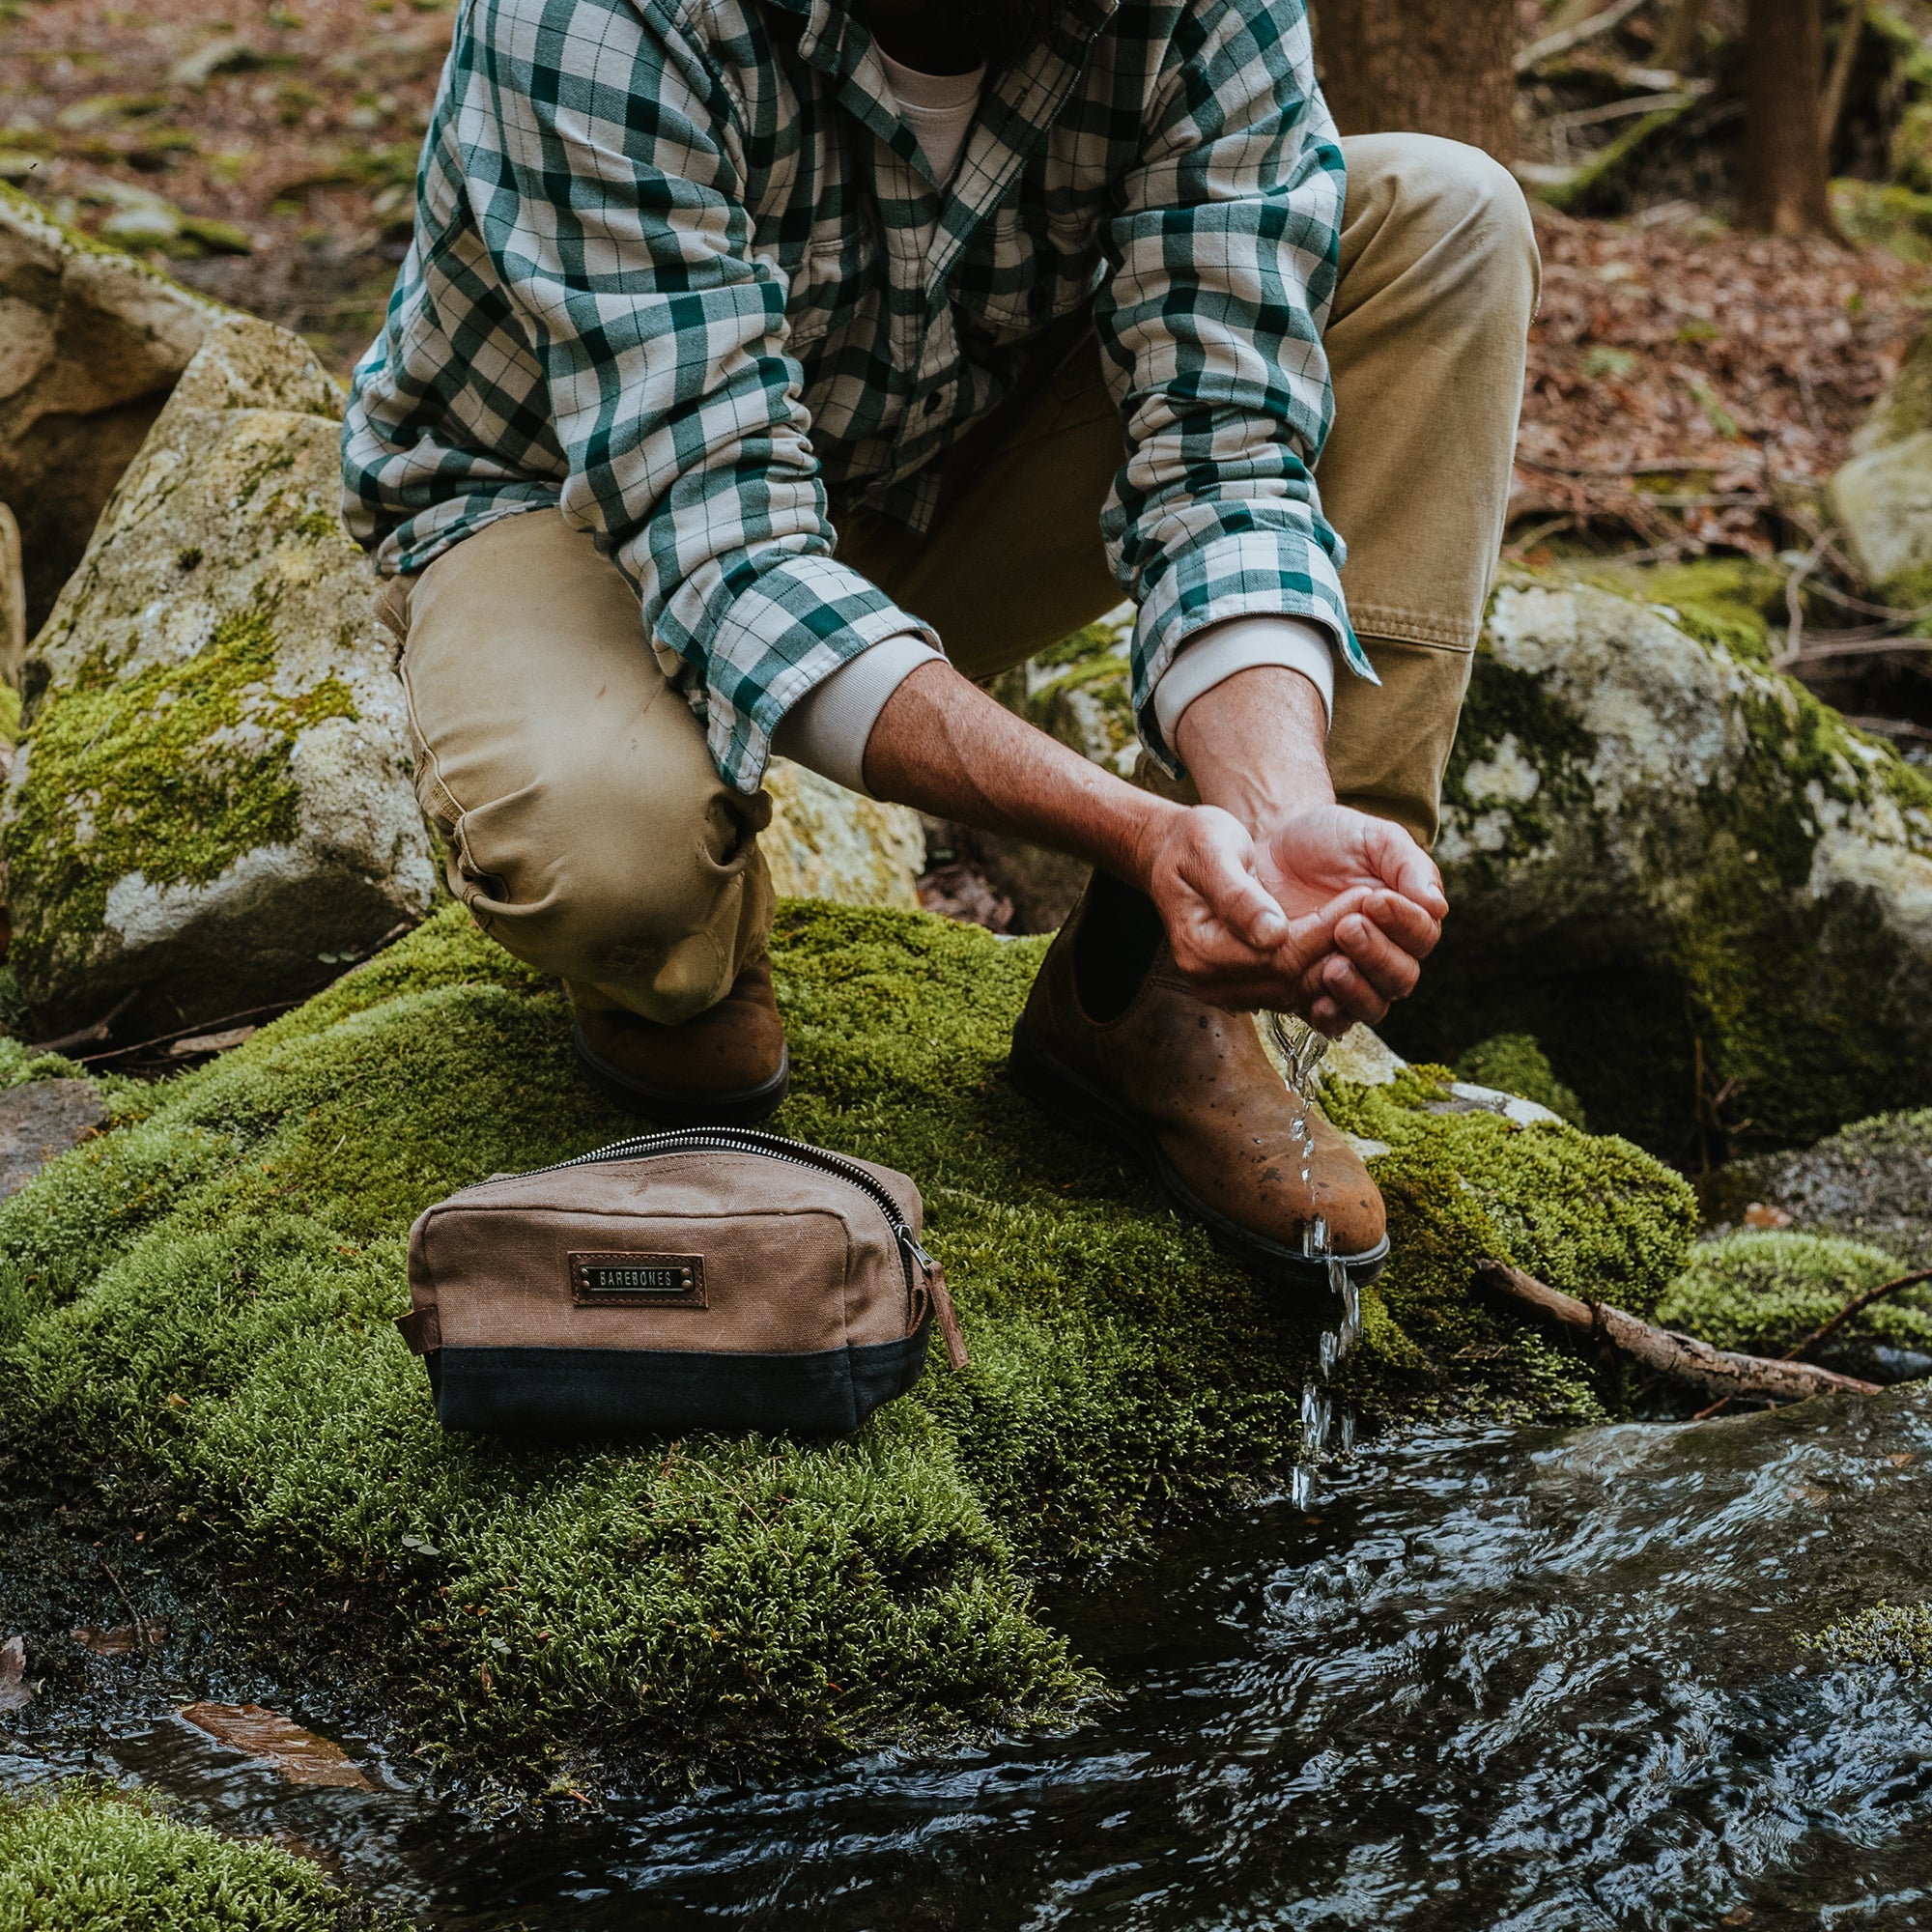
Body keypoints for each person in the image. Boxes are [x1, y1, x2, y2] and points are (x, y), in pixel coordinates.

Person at [341, 0, 1539, 1290]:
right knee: (617, 878)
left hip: (937, 462)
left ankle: (1172, 995)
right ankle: (684, 939)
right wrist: (1125, 826)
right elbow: (728, 550)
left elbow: (1223, 459)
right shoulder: (587, 14)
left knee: (1447, 217)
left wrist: (1271, 813)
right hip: (582, 505)